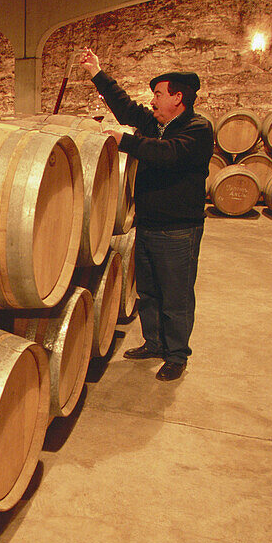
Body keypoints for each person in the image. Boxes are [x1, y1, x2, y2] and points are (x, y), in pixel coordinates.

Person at [77, 48, 213, 381]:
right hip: (149, 224)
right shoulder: (155, 123)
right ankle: (154, 343)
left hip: (179, 229)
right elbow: (124, 107)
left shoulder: (197, 129)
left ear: (177, 97)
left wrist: (126, 142)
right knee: (149, 291)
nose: (152, 101)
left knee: (176, 295)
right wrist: (97, 71)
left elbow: (168, 154)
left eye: (158, 94)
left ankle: (177, 354)